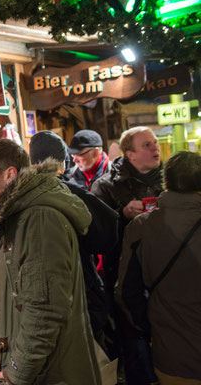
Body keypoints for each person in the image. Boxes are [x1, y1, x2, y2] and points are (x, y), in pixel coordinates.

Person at [0, 139, 100, 384]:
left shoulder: (38, 218)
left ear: (9, 174)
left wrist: (18, 370)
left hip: (48, 372)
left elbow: (46, 309)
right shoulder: (18, 217)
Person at [29, 131, 120, 357]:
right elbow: (107, 234)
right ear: (62, 162)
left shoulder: (20, 197)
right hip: (81, 294)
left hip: (40, 306)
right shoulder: (71, 194)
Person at [116, 151, 201, 385]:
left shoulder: (141, 227)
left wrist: (148, 330)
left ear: (166, 182)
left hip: (172, 355)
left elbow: (127, 293)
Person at [92, 126, 164, 385]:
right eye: (147, 145)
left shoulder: (171, 180)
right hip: (126, 278)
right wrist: (121, 215)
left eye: (155, 142)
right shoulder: (106, 186)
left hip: (168, 272)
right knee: (135, 341)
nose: (155, 148)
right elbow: (94, 235)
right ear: (130, 154)